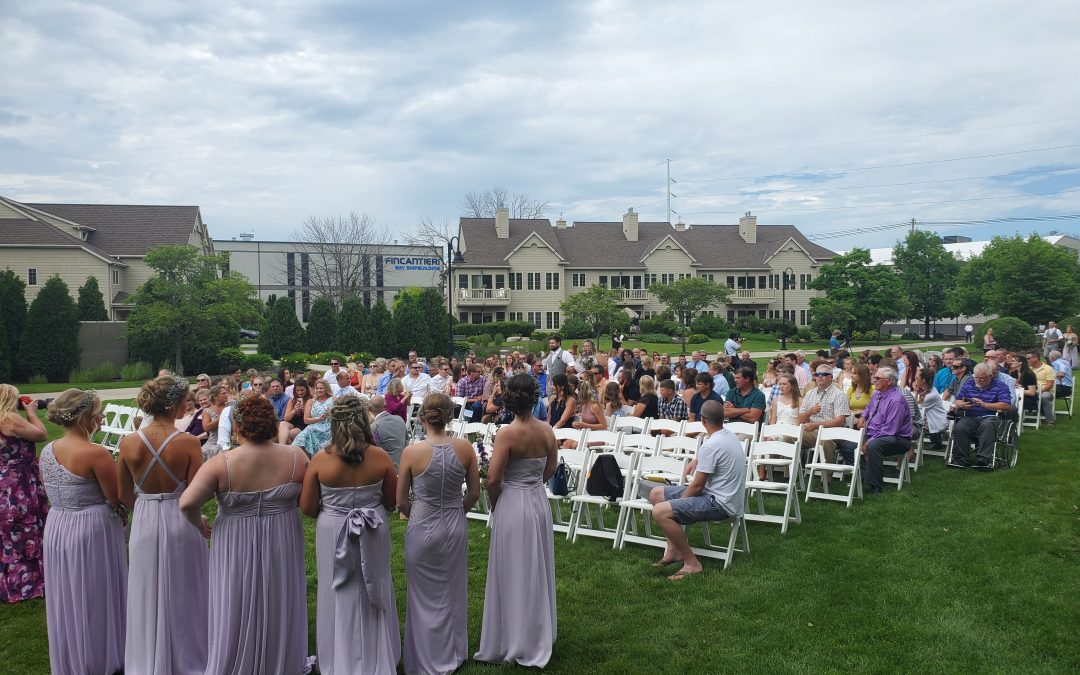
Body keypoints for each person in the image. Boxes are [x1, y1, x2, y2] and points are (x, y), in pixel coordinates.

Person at [179, 396, 309, 674]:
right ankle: (280, 660)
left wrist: (199, 522)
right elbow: (307, 502)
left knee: (234, 598)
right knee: (279, 595)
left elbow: (187, 503)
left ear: (237, 425)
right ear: (271, 424)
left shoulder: (221, 463)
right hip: (282, 535)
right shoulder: (297, 457)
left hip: (235, 538)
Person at [298, 395, 399, 674]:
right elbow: (391, 501)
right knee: (374, 582)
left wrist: (334, 506)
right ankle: (377, 657)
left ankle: (337, 658)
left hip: (333, 528)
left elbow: (306, 507)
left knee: (336, 588)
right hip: (373, 525)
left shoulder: (320, 460)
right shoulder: (380, 457)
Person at [117, 375, 208, 675]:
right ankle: (188, 657)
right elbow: (196, 493)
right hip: (180, 517)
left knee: (145, 588)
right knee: (186, 587)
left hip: (143, 519)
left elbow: (122, 493)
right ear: (172, 406)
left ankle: (147, 657)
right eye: (185, 401)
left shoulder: (128, 442)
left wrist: (145, 508)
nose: (188, 405)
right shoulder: (188, 443)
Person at [40, 389, 126, 674]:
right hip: (90, 528)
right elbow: (115, 498)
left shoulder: (47, 450)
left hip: (58, 525)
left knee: (67, 591)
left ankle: (73, 654)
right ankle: (99, 657)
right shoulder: (95, 453)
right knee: (94, 590)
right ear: (85, 418)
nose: (101, 417)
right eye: (98, 413)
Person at [474, 374, 557, 667]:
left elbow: (494, 478)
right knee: (536, 566)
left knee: (513, 567)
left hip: (513, 500)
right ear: (534, 398)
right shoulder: (547, 430)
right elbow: (552, 467)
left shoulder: (508, 433)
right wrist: (534, 482)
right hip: (537, 500)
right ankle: (535, 631)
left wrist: (497, 501)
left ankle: (515, 636)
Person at [397, 394, 481, 675]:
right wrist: (458, 511)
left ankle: (424, 656)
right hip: (454, 524)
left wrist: (416, 512)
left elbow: (400, 501)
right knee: (453, 589)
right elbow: (474, 493)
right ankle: (453, 652)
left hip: (422, 524)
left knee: (421, 594)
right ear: (450, 415)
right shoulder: (466, 447)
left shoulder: (412, 451)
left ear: (423, 417)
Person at [648, 400, 746, 581]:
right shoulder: (728, 436)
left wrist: (679, 504)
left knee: (660, 512)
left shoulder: (712, 445)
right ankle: (673, 551)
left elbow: (697, 486)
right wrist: (696, 459)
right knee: (656, 494)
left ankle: (692, 563)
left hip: (720, 503)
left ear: (703, 420)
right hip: (723, 496)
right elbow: (710, 452)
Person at [0, 384, 48, 604]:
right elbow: (41, 435)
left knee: (9, 530)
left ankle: (9, 581)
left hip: (4, 480)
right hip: (20, 481)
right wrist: (31, 413)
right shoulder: (9, 418)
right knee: (27, 525)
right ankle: (29, 582)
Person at [856, 367, 912, 494]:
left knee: (874, 446)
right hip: (875, 433)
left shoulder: (896, 401)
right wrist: (863, 416)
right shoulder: (877, 393)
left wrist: (869, 441)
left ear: (889, 381)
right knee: (850, 444)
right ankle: (862, 476)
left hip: (898, 439)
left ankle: (876, 486)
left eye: (877, 378)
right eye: (874, 377)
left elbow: (890, 429)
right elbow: (869, 407)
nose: (873, 380)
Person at [950, 363, 1014, 469]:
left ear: (990, 376)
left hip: (990, 415)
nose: (978, 380)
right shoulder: (969, 383)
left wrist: (985, 405)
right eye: (976, 377)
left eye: (982, 378)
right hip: (970, 415)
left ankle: (983, 458)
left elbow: (1006, 405)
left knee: (987, 425)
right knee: (960, 427)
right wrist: (962, 404)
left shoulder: (1000, 386)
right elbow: (958, 400)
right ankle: (962, 459)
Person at [797, 367, 851, 463]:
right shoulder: (810, 394)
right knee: (789, 437)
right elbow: (800, 420)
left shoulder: (839, 394)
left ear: (831, 377)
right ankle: (789, 474)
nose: (820, 377)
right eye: (817, 375)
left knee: (825, 440)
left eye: (824, 375)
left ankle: (827, 475)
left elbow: (840, 421)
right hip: (812, 433)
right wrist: (809, 412)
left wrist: (816, 425)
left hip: (832, 432)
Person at [294, 379, 335, 455]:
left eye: (321, 388)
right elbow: (306, 420)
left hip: (329, 427)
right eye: (317, 388)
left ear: (326, 389)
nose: (319, 390)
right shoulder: (311, 401)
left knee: (309, 431)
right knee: (306, 433)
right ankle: (295, 455)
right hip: (313, 426)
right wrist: (318, 419)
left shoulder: (333, 400)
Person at [369, 395, 408, 468]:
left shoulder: (373, 427)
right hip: (403, 464)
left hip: (384, 468)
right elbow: (407, 441)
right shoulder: (399, 419)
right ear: (385, 406)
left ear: (370, 409)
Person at [915, 368, 948, 450]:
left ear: (923, 380)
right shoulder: (926, 390)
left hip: (937, 422)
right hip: (930, 419)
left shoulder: (931, 395)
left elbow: (916, 407)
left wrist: (915, 392)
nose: (914, 379)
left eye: (917, 378)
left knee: (912, 421)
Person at [1027, 351, 1057, 425]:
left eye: (1028, 358)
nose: (1027, 360)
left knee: (1044, 396)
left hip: (1046, 391)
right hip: (1031, 390)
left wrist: (1038, 391)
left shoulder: (1048, 368)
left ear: (1036, 358)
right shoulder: (1028, 370)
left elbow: (1049, 385)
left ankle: (1050, 421)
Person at [278, 378, 310, 444]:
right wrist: (294, 410)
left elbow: (310, 418)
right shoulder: (292, 401)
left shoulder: (310, 401)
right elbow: (286, 418)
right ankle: (284, 447)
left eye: (302, 390)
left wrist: (305, 411)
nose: (300, 392)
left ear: (306, 389)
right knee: (282, 424)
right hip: (293, 423)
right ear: (295, 391)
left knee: (286, 435)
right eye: (297, 390)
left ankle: (284, 448)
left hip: (304, 426)